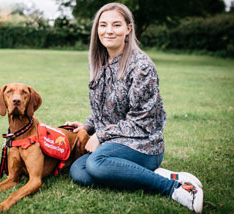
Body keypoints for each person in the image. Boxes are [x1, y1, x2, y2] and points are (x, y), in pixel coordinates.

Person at [65, 2, 204, 213]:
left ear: (128, 29)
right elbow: (104, 110)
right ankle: (157, 175)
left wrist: (101, 135)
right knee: (79, 172)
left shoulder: (141, 66)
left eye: (116, 25)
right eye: (103, 25)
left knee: (96, 164)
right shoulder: (100, 61)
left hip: (145, 145)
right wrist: (87, 126)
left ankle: (176, 188)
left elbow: (142, 121)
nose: (108, 30)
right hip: (117, 141)